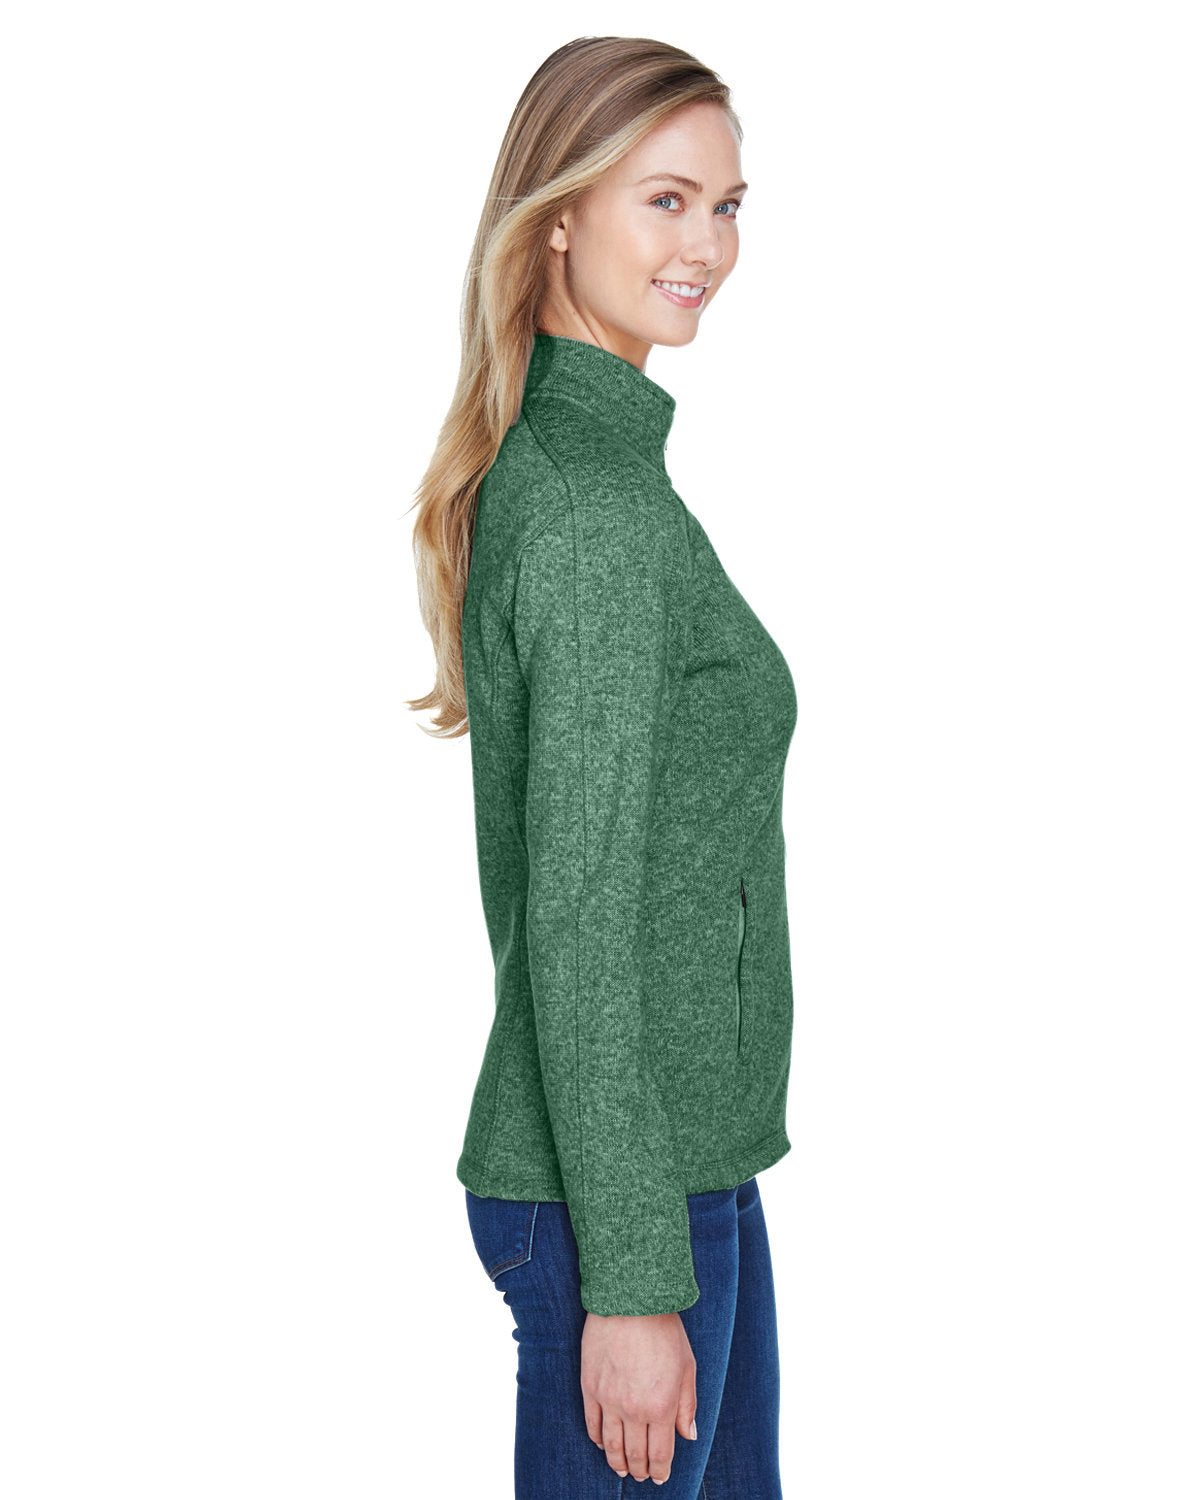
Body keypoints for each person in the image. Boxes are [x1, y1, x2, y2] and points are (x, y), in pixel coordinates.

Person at [409, 36, 798, 1498]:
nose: (707, 247)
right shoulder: (591, 513)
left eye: (728, 206)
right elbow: (576, 925)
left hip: (675, 1164)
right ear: (560, 214)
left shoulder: (602, 474)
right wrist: (632, 1282)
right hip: (620, 1206)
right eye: (667, 201)